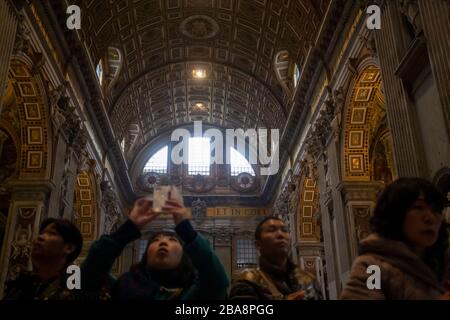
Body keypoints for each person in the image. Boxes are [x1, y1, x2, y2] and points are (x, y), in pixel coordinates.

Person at [81, 196, 229, 300]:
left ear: (185, 256)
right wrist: (128, 229)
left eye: (172, 240)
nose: (163, 243)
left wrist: (186, 230)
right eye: (155, 240)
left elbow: (216, 281)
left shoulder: (195, 294)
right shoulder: (120, 287)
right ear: (146, 255)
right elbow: (88, 275)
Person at [341, 178, 450, 300]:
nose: (430, 218)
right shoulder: (373, 268)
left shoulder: (442, 264)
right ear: (396, 214)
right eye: (418, 207)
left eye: (435, 210)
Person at [229, 216, 322, 300]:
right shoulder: (247, 281)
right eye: (272, 230)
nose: (280, 235)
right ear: (258, 245)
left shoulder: (308, 280)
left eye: (284, 230)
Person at [3, 218, 83, 300]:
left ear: (69, 248)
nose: (40, 237)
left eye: (52, 233)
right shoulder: (21, 284)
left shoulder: (77, 290)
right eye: (41, 233)